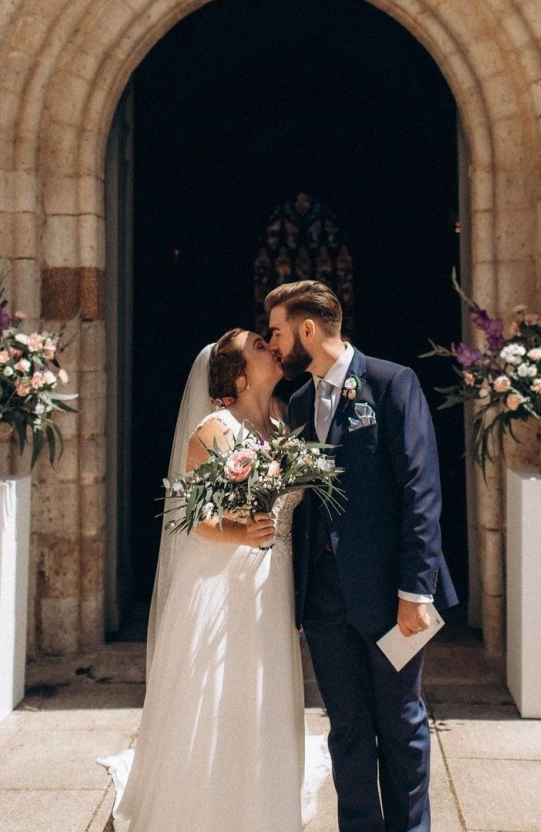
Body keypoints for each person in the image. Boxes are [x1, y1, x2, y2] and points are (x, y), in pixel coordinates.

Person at [102, 329, 328, 832]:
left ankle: (262, 806)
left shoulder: (284, 422)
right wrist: (242, 530)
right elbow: (193, 518)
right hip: (225, 583)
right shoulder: (214, 429)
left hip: (274, 582)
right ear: (241, 373)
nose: (271, 346)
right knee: (222, 692)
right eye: (258, 345)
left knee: (264, 693)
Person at [266, 280, 458, 832]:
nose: (273, 345)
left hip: (394, 597)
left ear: (308, 329)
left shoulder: (393, 383)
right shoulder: (299, 404)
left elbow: (421, 491)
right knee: (346, 730)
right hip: (325, 603)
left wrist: (415, 591)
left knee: (401, 724)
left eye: (278, 332)